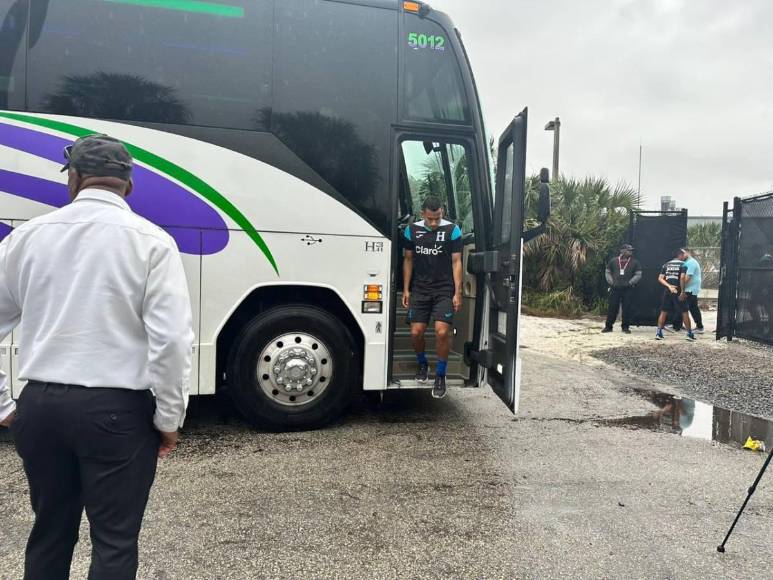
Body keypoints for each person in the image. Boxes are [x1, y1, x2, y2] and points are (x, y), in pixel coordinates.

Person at [0, 134, 194, 580]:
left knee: (50, 533)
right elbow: (171, 341)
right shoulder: (152, 242)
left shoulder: (27, 237)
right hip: (117, 414)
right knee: (114, 542)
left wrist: (7, 406)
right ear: (129, 185)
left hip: (42, 408)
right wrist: (168, 419)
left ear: (74, 179)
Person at [402, 195, 463, 399]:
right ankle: (422, 364)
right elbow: (408, 260)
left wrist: (457, 292)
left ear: (442, 212)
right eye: (430, 219)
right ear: (423, 214)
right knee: (416, 333)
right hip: (420, 290)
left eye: (437, 218)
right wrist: (406, 289)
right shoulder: (412, 230)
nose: (434, 223)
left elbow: (456, 263)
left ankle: (440, 375)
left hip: (444, 290)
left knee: (442, 332)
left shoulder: (452, 230)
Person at [655, 249, 696, 341]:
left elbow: (660, 278)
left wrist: (669, 286)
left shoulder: (666, 264)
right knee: (685, 312)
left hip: (668, 291)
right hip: (678, 291)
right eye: (684, 254)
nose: (685, 255)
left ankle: (658, 333)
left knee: (663, 312)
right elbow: (682, 278)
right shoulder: (683, 265)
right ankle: (689, 334)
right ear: (680, 255)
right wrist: (682, 292)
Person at [602, 244, 642, 333]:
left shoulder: (635, 262)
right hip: (615, 288)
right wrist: (611, 282)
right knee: (612, 307)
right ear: (622, 251)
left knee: (627, 308)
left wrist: (630, 283)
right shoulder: (613, 261)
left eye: (631, 250)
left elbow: (638, 274)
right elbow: (607, 272)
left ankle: (625, 327)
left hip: (628, 289)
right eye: (629, 250)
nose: (631, 252)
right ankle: (608, 327)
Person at [681, 247, 704, 334]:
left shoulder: (691, 263)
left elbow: (686, 278)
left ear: (688, 252)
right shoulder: (686, 262)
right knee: (689, 307)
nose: (682, 255)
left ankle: (700, 327)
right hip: (688, 289)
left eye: (683, 253)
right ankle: (678, 325)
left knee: (692, 308)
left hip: (691, 289)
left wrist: (678, 286)